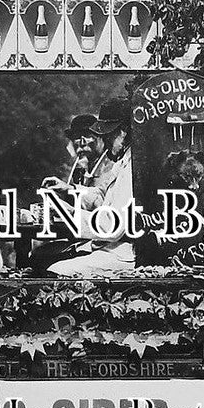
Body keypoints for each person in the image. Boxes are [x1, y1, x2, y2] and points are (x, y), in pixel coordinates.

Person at [47, 97, 136, 276]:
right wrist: (69, 190)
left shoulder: (130, 167)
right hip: (110, 246)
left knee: (54, 271)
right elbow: (103, 194)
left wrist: (68, 213)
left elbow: (112, 227)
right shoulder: (124, 161)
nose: (104, 139)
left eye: (108, 134)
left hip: (122, 251)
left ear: (124, 131)